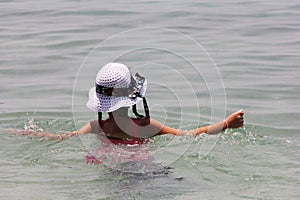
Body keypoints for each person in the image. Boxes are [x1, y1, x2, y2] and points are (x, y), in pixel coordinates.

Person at [11, 63, 244, 143]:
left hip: (107, 171)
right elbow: (191, 134)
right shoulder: (146, 126)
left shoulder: (96, 127)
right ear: (133, 98)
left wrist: (29, 133)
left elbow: (61, 138)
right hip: (141, 172)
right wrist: (226, 123)